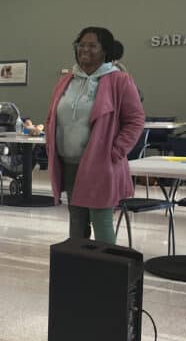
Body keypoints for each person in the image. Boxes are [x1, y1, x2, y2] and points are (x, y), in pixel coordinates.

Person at [45, 26, 145, 244]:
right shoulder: (67, 79)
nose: (85, 50)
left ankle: (106, 271)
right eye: (81, 45)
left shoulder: (119, 80)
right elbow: (52, 115)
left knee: (101, 219)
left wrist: (115, 152)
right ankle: (80, 267)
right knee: (77, 220)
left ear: (105, 50)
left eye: (92, 45)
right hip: (69, 163)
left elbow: (136, 121)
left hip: (101, 163)